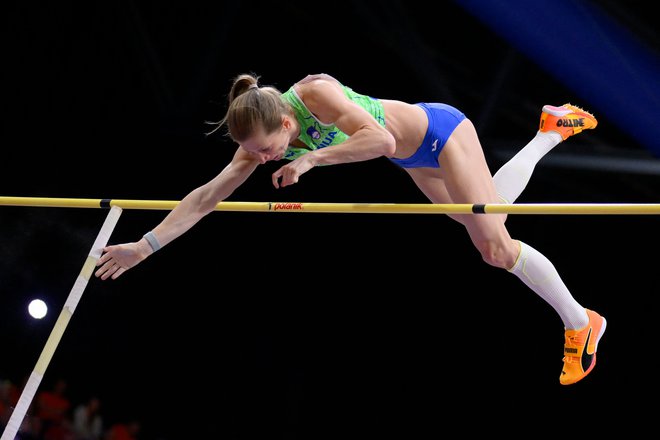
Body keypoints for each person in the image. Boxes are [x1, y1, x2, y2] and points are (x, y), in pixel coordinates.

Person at [94, 73, 606, 385]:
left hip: (441, 131)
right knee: (487, 214)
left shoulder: (314, 93)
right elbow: (207, 195)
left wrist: (311, 160)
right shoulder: (256, 142)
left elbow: (380, 139)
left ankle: (581, 323)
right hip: (416, 159)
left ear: (286, 126)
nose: (264, 158)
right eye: (256, 153)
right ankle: (549, 132)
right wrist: (146, 244)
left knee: (494, 245)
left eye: (269, 149)